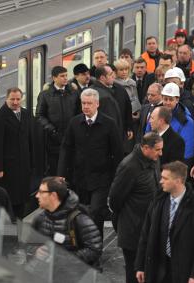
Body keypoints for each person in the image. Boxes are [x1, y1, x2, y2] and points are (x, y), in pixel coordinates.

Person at [135, 161, 194, 283]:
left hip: (186, 271)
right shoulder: (158, 201)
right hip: (160, 269)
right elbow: (145, 234)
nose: (161, 181)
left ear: (178, 181)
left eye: (165, 178)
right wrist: (140, 265)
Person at [58, 88, 123, 235]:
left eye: (89, 103)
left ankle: (96, 247)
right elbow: (66, 148)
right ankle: (83, 245)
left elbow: (117, 152)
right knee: (79, 213)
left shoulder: (109, 124)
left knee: (95, 212)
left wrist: (116, 177)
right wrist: (61, 173)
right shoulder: (75, 122)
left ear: (97, 104)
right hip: (79, 177)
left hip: (101, 178)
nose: (86, 106)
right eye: (83, 103)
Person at [109, 132, 163, 283]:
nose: (161, 153)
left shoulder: (153, 159)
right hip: (132, 228)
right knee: (134, 270)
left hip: (149, 226)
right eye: (158, 149)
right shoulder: (129, 166)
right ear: (146, 148)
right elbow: (115, 198)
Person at [32, 176, 102, 266]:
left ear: (53, 195)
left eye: (41, 192)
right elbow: (29, 244)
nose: (37, 195)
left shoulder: (79, 219)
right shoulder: (40, 219)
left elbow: (95, 250)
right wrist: (36, 251)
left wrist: (65, 259)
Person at [0, 87, 32, 219]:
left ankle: (19, 224)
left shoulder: (26, 114)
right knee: (8, 200)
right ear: (6, 99)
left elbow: (29, 139)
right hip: (7, 168)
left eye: (18, 99)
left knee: (22, 200)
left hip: (23, 165)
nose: (15, 102)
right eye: (12, 99)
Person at [36, 66, 79, 176]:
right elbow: (40, 115)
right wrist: (52, 130)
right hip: (54, 139)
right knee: (56, 168)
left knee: (72, 168)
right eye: (62, 76)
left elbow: (79, 112)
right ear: (54, 78)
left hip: (72, 136)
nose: (65, 78)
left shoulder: (73, 93)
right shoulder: (45, 95)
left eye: (66, 76)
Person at [156, 82, 194, 164]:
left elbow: (187, 149)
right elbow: (148, 135)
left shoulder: (186, 121)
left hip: (175, 163)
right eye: (165, 99)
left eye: (171, 99)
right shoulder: (155, 114)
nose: (167, 102)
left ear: (177, 99)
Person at [91, 65, 133, 140]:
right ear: (102, 78)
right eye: (110, 74)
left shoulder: (119, 88)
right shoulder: (99, 95)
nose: (113, 76)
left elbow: (127, 108)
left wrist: (128, 127)